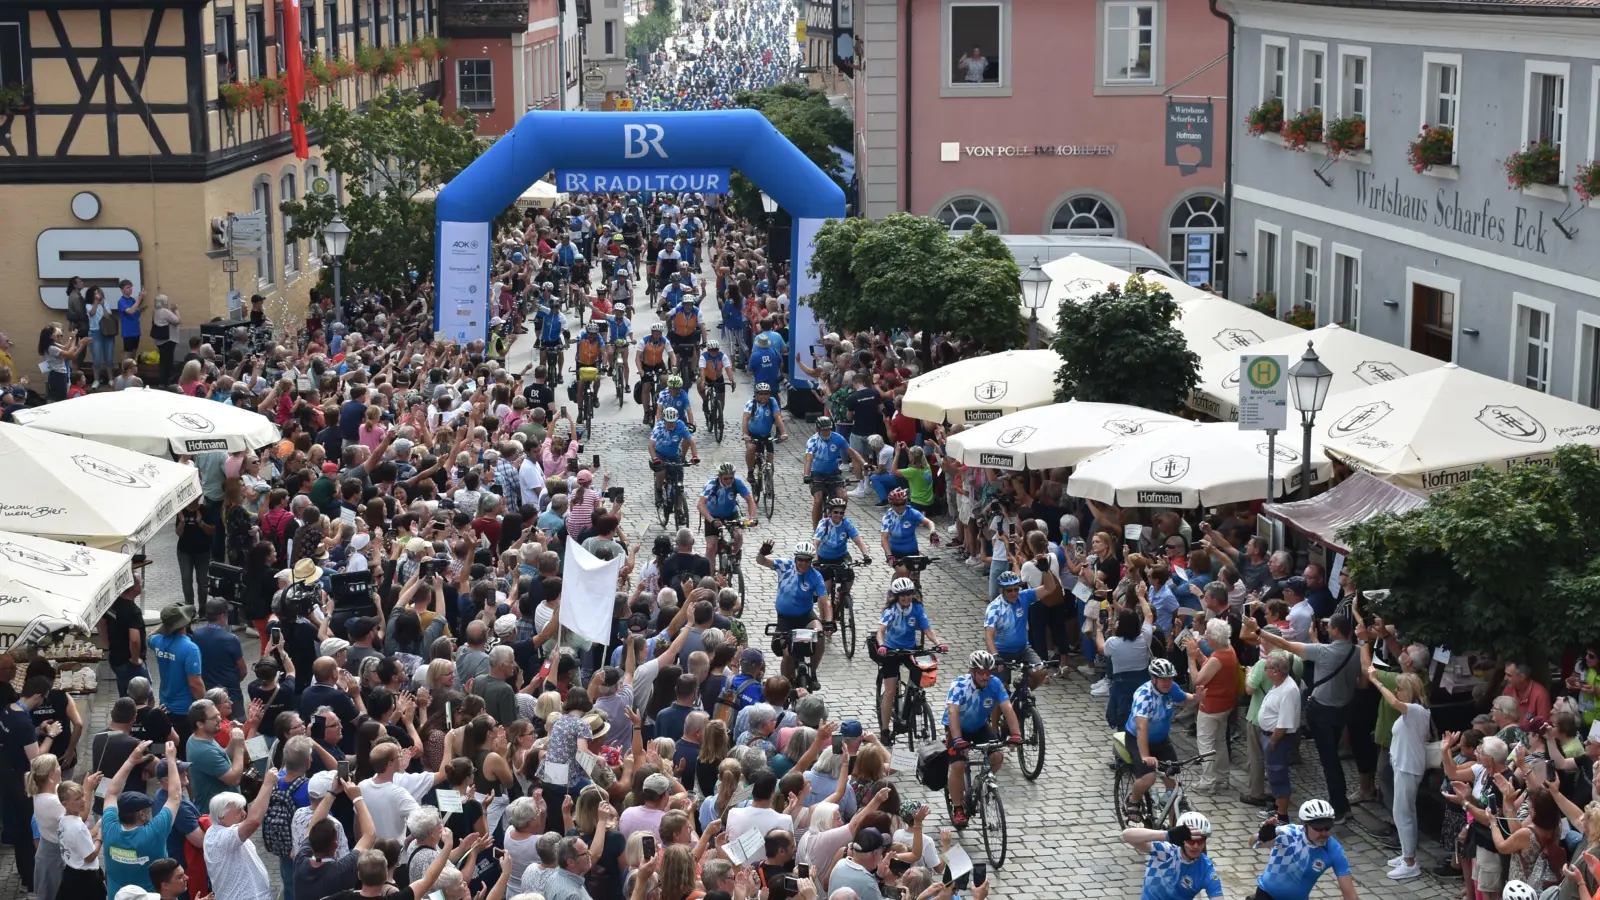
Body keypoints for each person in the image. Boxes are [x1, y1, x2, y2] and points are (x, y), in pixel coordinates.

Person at [944, 651, 1021, 829]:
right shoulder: (959, 685)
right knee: (958, 765)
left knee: (997, 757)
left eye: (988, 672)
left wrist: (1016, 734)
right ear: (972, 672)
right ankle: (958, 808)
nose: (985, 676)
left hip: (979, 726)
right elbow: (953, 713)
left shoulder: (995, 684)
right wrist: (957, 739)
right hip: (958, 728)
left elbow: (1007, 708)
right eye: (981, 672)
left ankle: (980, 781)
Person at [1120, 658, 1201, 818]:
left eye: (1170, 678)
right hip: (1137, 738)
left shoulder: (1172, 688)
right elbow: (1141, 727)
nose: (1167, 682)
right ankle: (1133, 801)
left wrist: (1197, 698)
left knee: (1173, 786)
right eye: (1163, 679)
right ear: (1154, 679)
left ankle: (1171, 828)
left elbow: (1184, 699)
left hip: (1161, 740)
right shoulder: (1144, 695)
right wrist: (1145, 756)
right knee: (1149, 777)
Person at [103, 739, 183, 900]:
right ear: (141, 814)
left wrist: (131, 760)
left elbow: (111, 793)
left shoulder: (109, 827)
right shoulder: (153, 833)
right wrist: (171, 760)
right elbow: (175, 797)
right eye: (147, 810)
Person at [874, 578, 944, 745]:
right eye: (902, 595)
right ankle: (885, 729)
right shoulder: (892, 610)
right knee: (890, 691)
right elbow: (881, 631)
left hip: (909, 650)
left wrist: (938, 643)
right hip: (891, 651)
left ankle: (913, 700)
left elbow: (927, 628)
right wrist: (882, 645)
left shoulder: (917, 608)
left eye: (909, 594)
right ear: (896, 596)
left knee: (921, 673)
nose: (906, 598)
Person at [757, 539, 830, 691]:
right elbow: (761, 561)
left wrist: (828, 621)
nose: (803, 564)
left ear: (811, 561)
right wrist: (762, 552)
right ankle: (784, 685)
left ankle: (813, 672)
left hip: (805, 616)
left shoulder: (815, 576)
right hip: (785, 618)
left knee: (820, 634)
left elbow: (825, 601)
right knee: (788, 655)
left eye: (807, 561)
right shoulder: (785, 566)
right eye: (800, 560)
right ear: (795, 558)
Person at [1253, 799, 1358, 900]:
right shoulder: (1289, 833)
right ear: (1305, 826)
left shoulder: (1333, 849)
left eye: (1327, 828)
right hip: (1267, 895)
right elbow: (1253, 842)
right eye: (1318, 829)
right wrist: (1262, 836)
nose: (1324, 834)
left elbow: (1350, 895)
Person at [1122, 812, 1223, 900]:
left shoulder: (1206, 870)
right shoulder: (1165, 850)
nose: (1196, 846)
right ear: (1181, 840)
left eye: (1200, 841)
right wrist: (1167, 835)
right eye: (1191, 841)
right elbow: (1127, 835)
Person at [149, 604, 205, 755]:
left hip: (165, 705)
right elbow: (195, 684)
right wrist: (205, 706)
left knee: (169, 747)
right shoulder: (190, 648)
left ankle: (166, 772)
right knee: (184, 750)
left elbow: (149, 636)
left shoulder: (158, 641)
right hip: (185, 710)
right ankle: (182, 776)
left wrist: (164, 626)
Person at [804, 417, 865, 528]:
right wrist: (807, 475)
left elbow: (852, 452)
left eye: (828, 429)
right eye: (823, 430)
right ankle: (816, 527)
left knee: (843, 497)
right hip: (817, 474)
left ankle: (838, 517)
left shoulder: (838, 438)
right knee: (818, 499)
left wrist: (864, 463)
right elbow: (809, 459)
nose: (826, 432)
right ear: (818, 430)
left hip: (833, 473)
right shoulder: (813, 441)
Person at [699, 461, 757, 570]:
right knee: (711, 547)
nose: (729, 481)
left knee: (738, 535)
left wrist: (752, 518)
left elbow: (750, 500)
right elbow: (700, 504)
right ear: (719, 477)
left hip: (731, 514)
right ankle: (710, 576)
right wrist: (711, 520)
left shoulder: (737, 483)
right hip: (713, 516)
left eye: (731, 478)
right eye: (726, 478)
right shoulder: (711, 484)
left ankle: (733, 555)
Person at [742, 382, 788, 481]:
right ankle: (750, 472)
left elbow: (777, 417)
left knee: (770, 458)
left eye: (766, 393)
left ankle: (768, 482)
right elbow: (745, 419)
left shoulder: (772, 402)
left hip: (766, 434)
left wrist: (783, 432)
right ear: (756, 394)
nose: (763, 396)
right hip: (752, 434)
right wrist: (745, 434)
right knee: (751, 448)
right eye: (761, 393)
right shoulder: (751, 403)